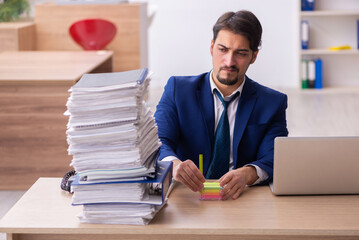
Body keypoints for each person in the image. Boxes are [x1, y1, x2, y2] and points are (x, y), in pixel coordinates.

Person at [154, 10, 288, 200]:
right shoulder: (178, 90)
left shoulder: (273, 102)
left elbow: (273, 157)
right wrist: (174, 164)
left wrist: (248, 173)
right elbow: (158, 141)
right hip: (187, 197)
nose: (229, 62)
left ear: (254, 56)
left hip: (241, 198)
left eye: (240, 53)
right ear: (211, 47)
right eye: (222, 50)